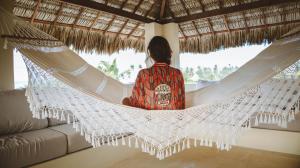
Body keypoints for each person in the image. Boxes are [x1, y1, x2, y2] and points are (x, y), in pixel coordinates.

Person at [122, 36, 185, 110]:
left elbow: (135, 102)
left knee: (125, 100)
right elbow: (181, 104)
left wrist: (126, 101)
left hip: (150, 119)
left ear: (151, 54)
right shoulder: (177, 74)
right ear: (168, 52)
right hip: (173, 119)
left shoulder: (143, 74)